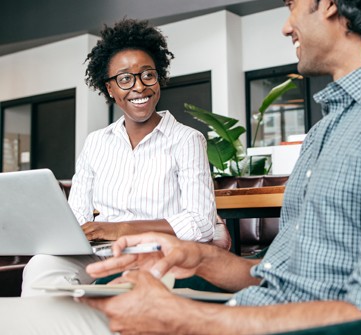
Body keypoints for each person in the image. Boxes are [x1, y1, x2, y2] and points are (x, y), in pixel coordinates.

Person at [1, 0, 361, 333]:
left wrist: (184, 317)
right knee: (25, 314)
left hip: (254, 325)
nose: (285, 25)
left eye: (291, 4)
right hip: (249, 311)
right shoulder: (332, 128)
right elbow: (284, 274)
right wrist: (196, 258)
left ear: (333, 4)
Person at [20, 18, 217, 296]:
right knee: (42, 267)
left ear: (158, 77)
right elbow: (78, 214)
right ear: (110, 88)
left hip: (157, 254)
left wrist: (121, 229)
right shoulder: (96, 142)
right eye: (125, 79)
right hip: (100, 253)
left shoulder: (187, 140)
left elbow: (201, 222)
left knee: (123, 284)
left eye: (147, 74)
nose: (138, 87)